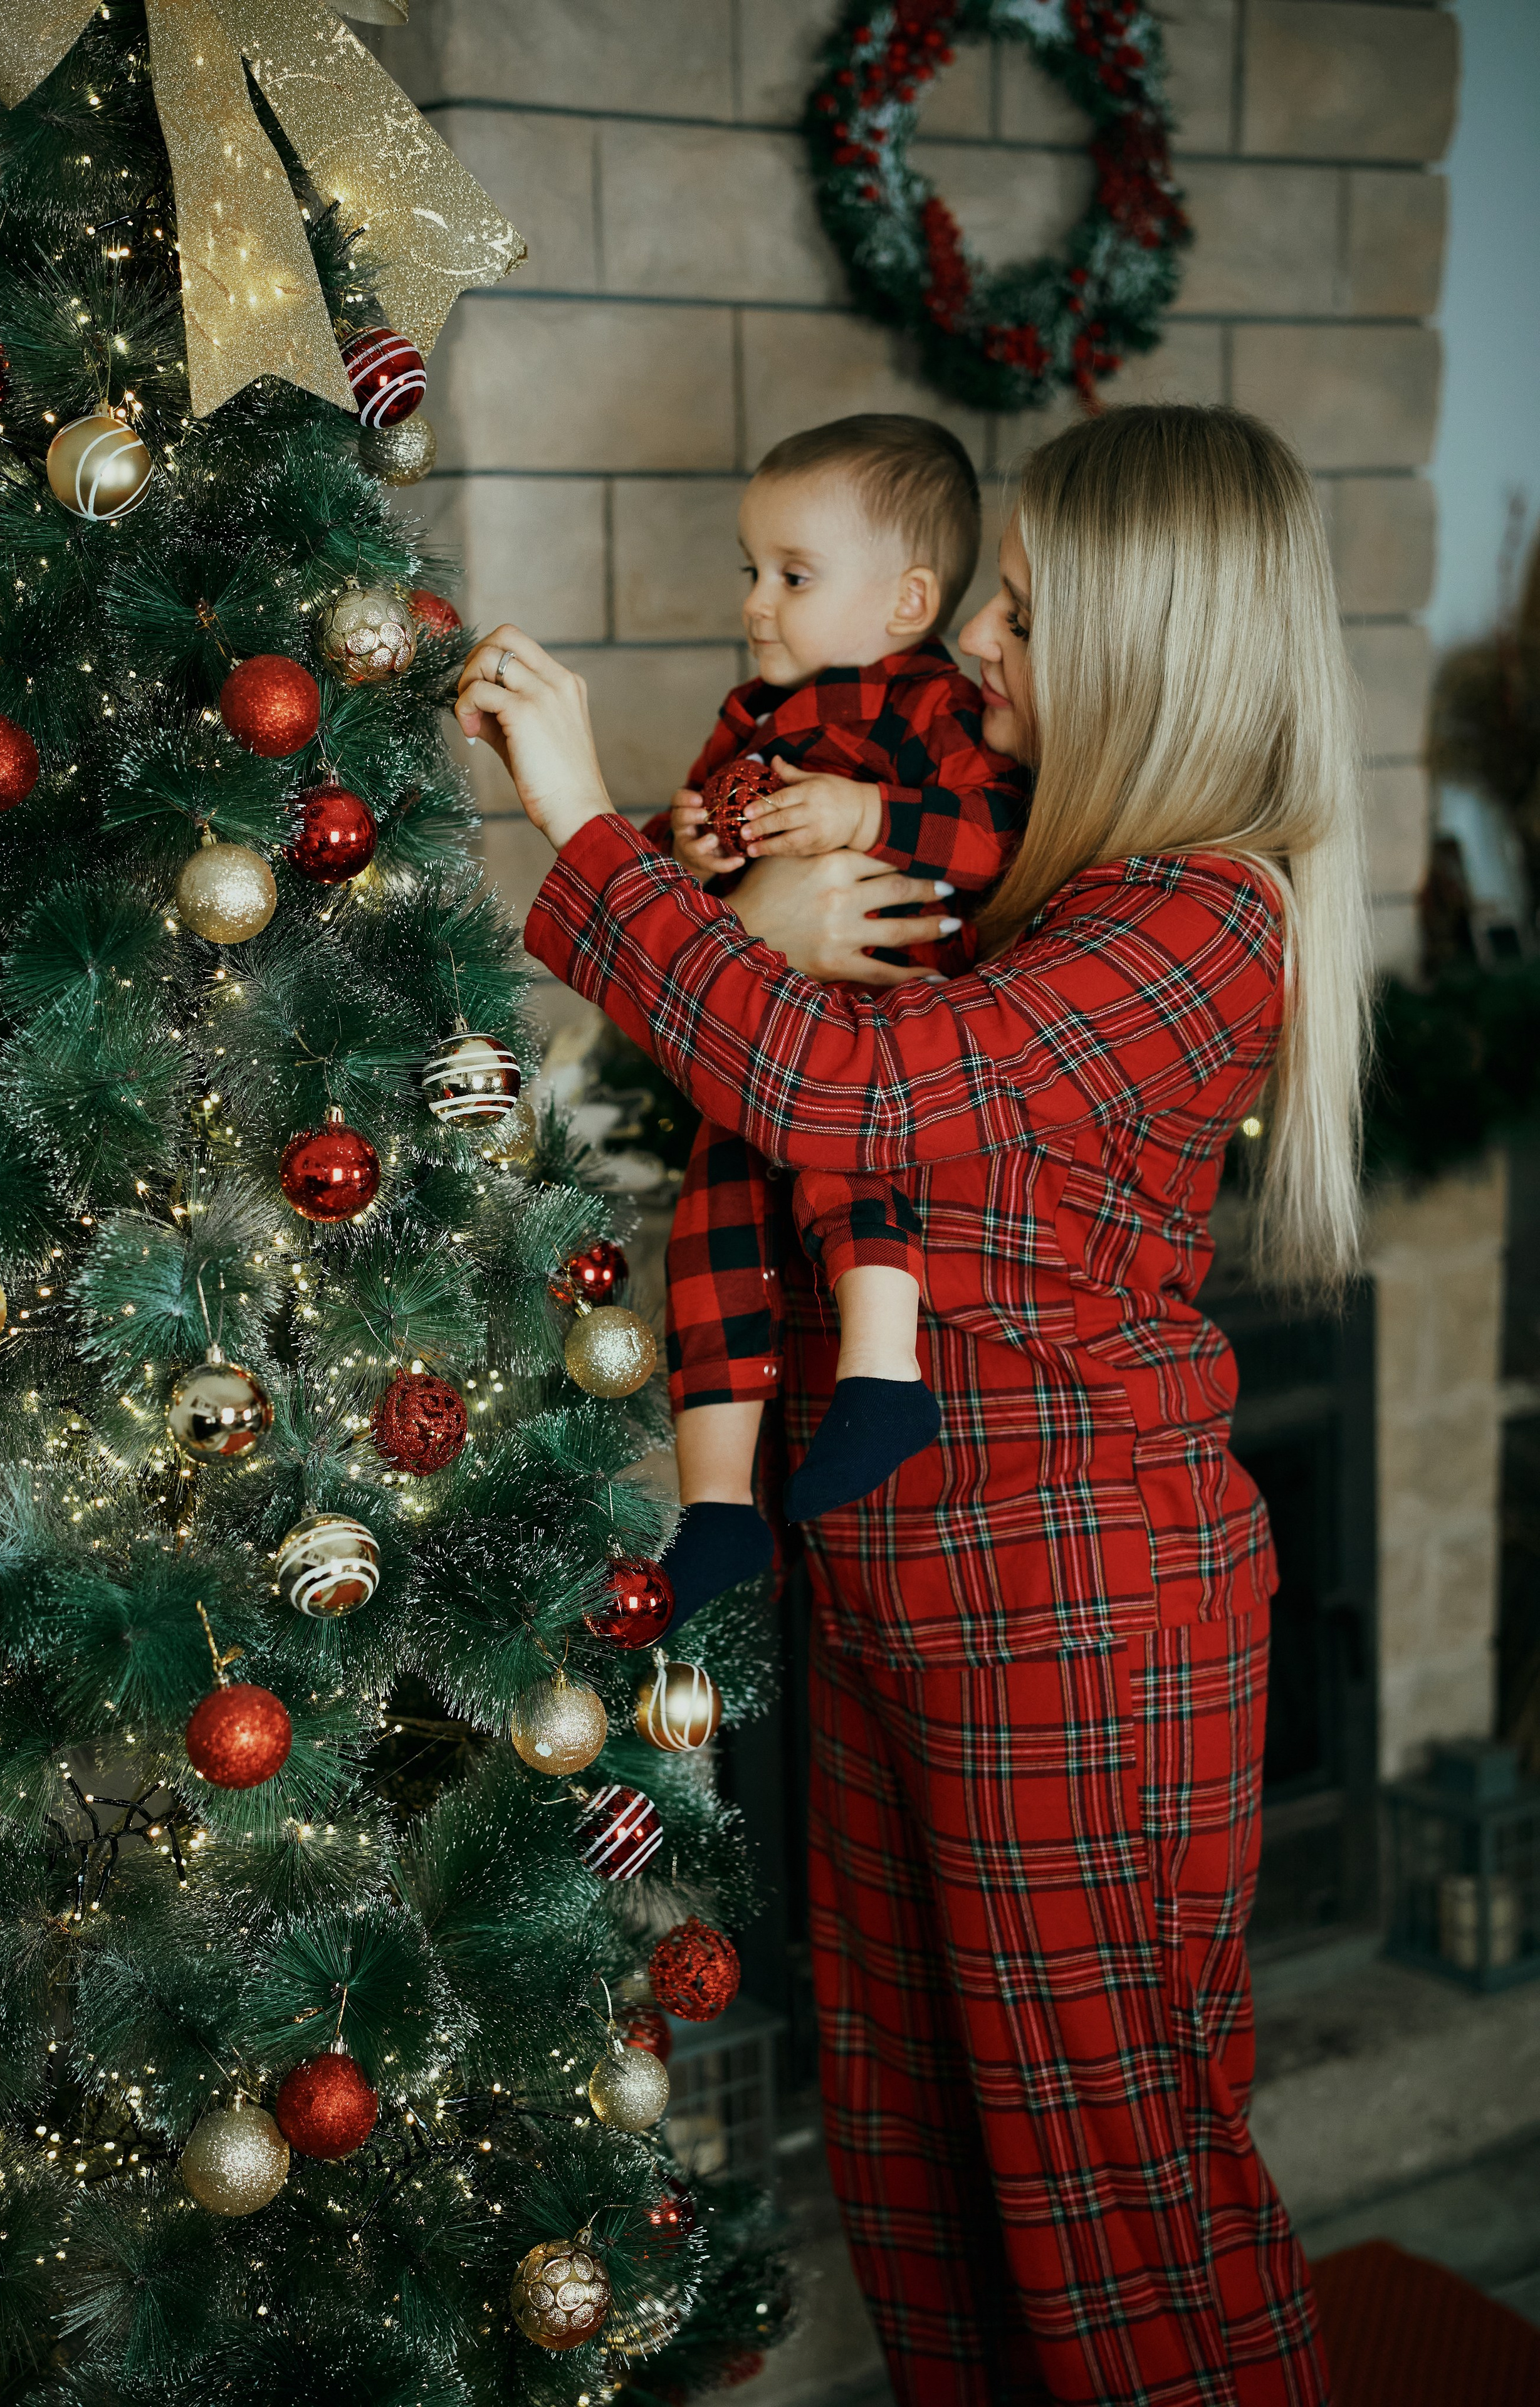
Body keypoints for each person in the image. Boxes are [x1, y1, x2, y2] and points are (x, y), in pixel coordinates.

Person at [457, 402, 1365, 2407]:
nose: (972, 655)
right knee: (917, 2159)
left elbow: (845, 1093)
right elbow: (799, 1043)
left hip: (1077, 1610)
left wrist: (585, 823)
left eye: (1024, 620)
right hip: (895, 1584)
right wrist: (744, 916)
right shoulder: (1026, 875)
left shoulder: (1201, 915)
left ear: (1152, 650)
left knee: (1118, 2201)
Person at [641, 414, 1032, 1622]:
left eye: (794, 577)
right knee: (708, 1237)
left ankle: (881, 1371)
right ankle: (714, 1505)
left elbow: (1001, 839)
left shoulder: (931, 707)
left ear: (908, 599)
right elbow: (681, 876)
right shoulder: (749, 716)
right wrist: (689, 843)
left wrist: (870, 817)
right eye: (753, 572)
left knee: (844, 1163)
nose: (759, 604)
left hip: (870, 1029)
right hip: (757, 1036)